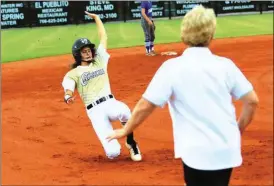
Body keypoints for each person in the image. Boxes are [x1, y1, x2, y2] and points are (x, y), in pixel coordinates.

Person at [107, 5, 259, 186]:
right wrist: (237, 130)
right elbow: (252, 101)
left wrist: (126, 130)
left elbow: (145, 106)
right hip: (227, 150)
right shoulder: (226, 65)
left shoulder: (172, 67)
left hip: (197, 153)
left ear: (183, 34)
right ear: (211, 35)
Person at [61, 11, 142, 162]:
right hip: (94, 111)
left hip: (109, 102)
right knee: (113, 153)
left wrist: (97, 18)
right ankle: (115, 148)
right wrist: (68, 96)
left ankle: (131, 142)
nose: (88, 53)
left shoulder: (99, 61)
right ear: (78, 55)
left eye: (89, 50)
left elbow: (103, 37)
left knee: (125, 112)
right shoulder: (74, 73)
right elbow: (68, 87)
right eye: (84, 51)